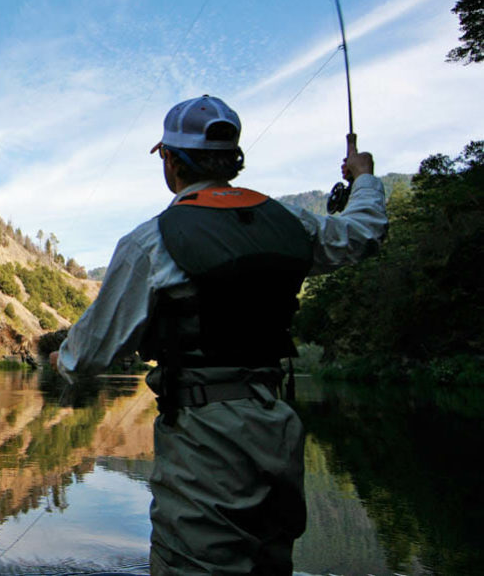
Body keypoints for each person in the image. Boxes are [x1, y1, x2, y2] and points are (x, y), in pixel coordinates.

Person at [50, 95, 387, 575]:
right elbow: (364, 232)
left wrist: (57, 361)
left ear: (170, 161)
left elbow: (85, 356)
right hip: (278, 428)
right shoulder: (289, 222)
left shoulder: (152, 242)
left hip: (203, 441)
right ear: (233, 159)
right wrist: (365, 178)